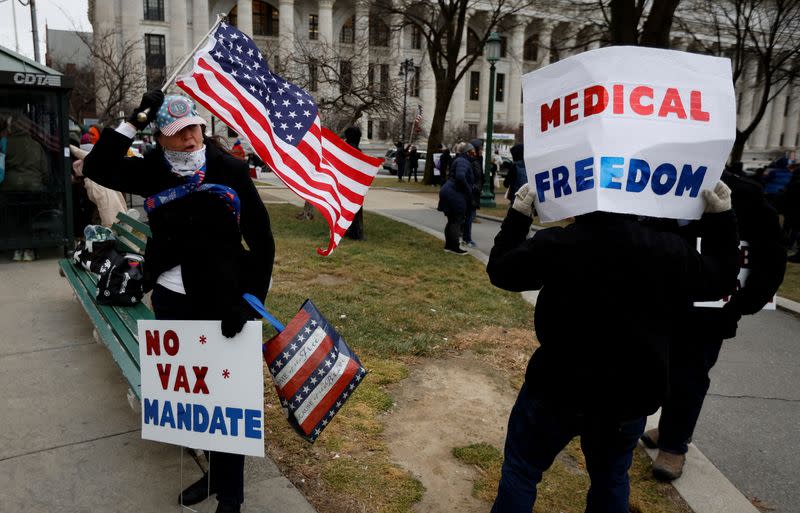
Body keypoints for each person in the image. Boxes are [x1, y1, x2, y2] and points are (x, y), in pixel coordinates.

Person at [486, 181, 739, 513]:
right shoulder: (666, 249)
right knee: (610, 477)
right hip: (630, 395)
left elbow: (501, 271)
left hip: (557, 386)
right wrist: (722, 219)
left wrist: (519, 215)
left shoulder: (558, 244)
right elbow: (721, 281)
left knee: (522, 470)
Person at [83, 91, 275, 513]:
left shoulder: (229, 168)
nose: (190, 141)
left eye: (194, 129)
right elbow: (97, 167)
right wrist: (132, 121)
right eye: (177, 134)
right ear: (161, 139)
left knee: (225, 399)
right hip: (171, 296)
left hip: (221, 300)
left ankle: (231, 495)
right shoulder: (153, 169)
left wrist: (249, 301)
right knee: (194, 399)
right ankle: (212, 474)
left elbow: (262, 240)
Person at [641, 170, 787, 481]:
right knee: (652, 369)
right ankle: (665, 428)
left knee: (689, 377)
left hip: (709, 313)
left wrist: (745, 303)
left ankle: (674, 445)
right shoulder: (655, 183)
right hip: (659, 302)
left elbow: (770, 259)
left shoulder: (747, 199)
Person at [0, 113, 49, 261]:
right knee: (30, 219)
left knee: (15, 219)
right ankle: (29, 250)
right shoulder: (36, 145)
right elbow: (45, 170)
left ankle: (16, 249)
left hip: (11, 188)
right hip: (34, 188)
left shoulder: (5, 143)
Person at [437, 142, 475, 255]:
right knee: (456, 221)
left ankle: (449, 246)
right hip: (454, 193)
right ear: (467, 152)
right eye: (472, 152)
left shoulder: (459, 160)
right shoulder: (463, 161)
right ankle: (454, 247)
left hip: (449, 191)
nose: (474, 154)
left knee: (452, 221)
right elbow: (460, 177)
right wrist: (468, 190)